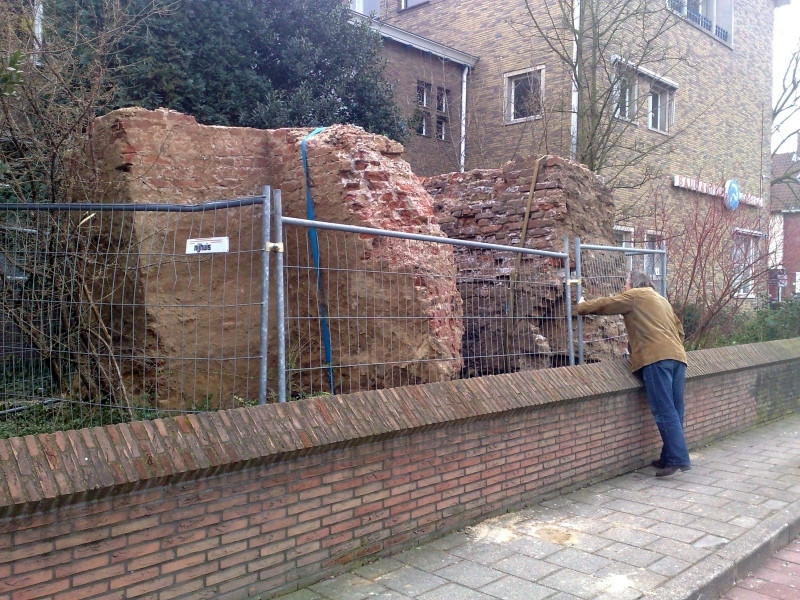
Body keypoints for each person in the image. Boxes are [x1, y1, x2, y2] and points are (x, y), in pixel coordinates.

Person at [576, 269, 690, 477]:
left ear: (633, 284)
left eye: (626, 284)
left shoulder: (636, 295)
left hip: (655, 359)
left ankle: (678, 459)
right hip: (678, 358)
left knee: (663, 409)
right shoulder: (662, 300)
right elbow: (680, 330)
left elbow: (606, 304)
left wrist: (582, 306)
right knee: (675, 409)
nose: (624, 288)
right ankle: (668, 457)